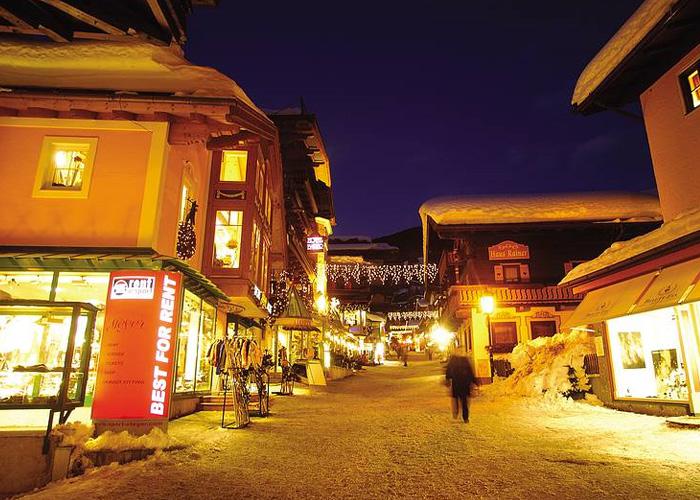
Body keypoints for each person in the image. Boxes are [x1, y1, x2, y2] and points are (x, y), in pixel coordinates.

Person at [445, 350, 476, 423]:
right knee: (464, 401)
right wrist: (474, 381)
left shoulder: (453, 360)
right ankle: (465, 417)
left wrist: (448, 379)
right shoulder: (465, 360)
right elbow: (470, 372)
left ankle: (456, 413)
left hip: (457, 383)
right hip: (465, 384)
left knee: (456, 399)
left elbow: (448, 371)